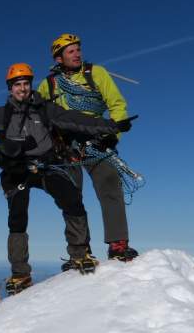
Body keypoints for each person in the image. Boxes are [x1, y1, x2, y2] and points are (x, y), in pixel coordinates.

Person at [0, 63, 134, 295]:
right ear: (10, 88)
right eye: (17, 84)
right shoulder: (3, 114)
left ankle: (79, 253)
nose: (22, 88)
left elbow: (77, 120)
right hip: (16, 170)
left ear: (30, 85)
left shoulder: (46, 110)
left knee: (72, 199)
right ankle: (20, 272)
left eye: (25, 83)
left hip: (46, 166)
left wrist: (111, 126)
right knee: (17, 217)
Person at [36, 33, 139, 262]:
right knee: (70, 195)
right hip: (64, 144)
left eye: (78, 49)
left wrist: (114, 136)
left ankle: (118, 244)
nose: (77, 54)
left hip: (96, 138)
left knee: (110, 182)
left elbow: (117, 104)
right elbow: (36, 114)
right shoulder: (48, 85)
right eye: (71, 51)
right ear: (59, 58)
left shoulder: (96, 73)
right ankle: (79, 250)